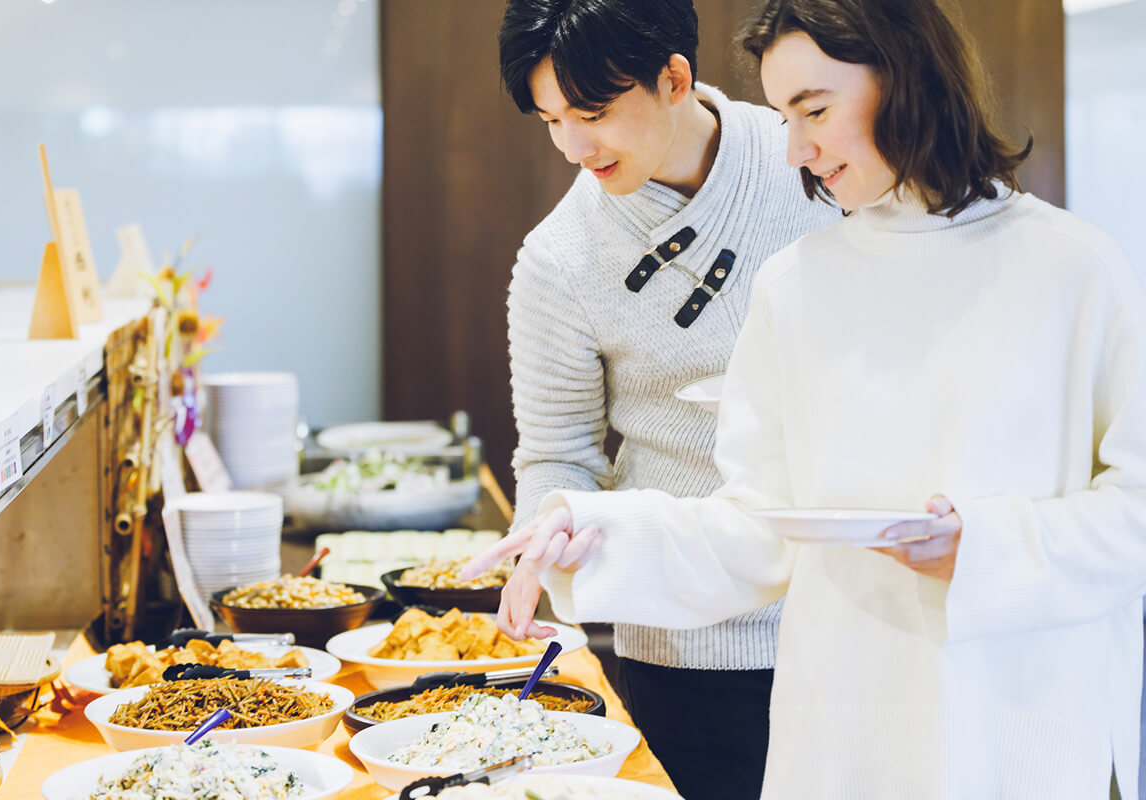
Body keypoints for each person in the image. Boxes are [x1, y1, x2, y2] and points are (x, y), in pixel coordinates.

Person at [467, 0, 1146, 797]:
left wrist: (989, 546)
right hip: (840, 724)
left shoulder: (1076, 270)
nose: (794, 148)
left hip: (1018, 728)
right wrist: (594, 532)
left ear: (905, 77)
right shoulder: (797, 283)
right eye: (786, 115)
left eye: (814, 110)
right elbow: (762, 526)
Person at [494, 0, 837, 796]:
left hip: (844, 618)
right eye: (552, 121)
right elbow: (555, 455)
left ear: (674, 78)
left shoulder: (810, 158)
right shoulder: (557, 260)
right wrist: (543, 539)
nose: (575, 148)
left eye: (594, 113)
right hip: (681, 648)